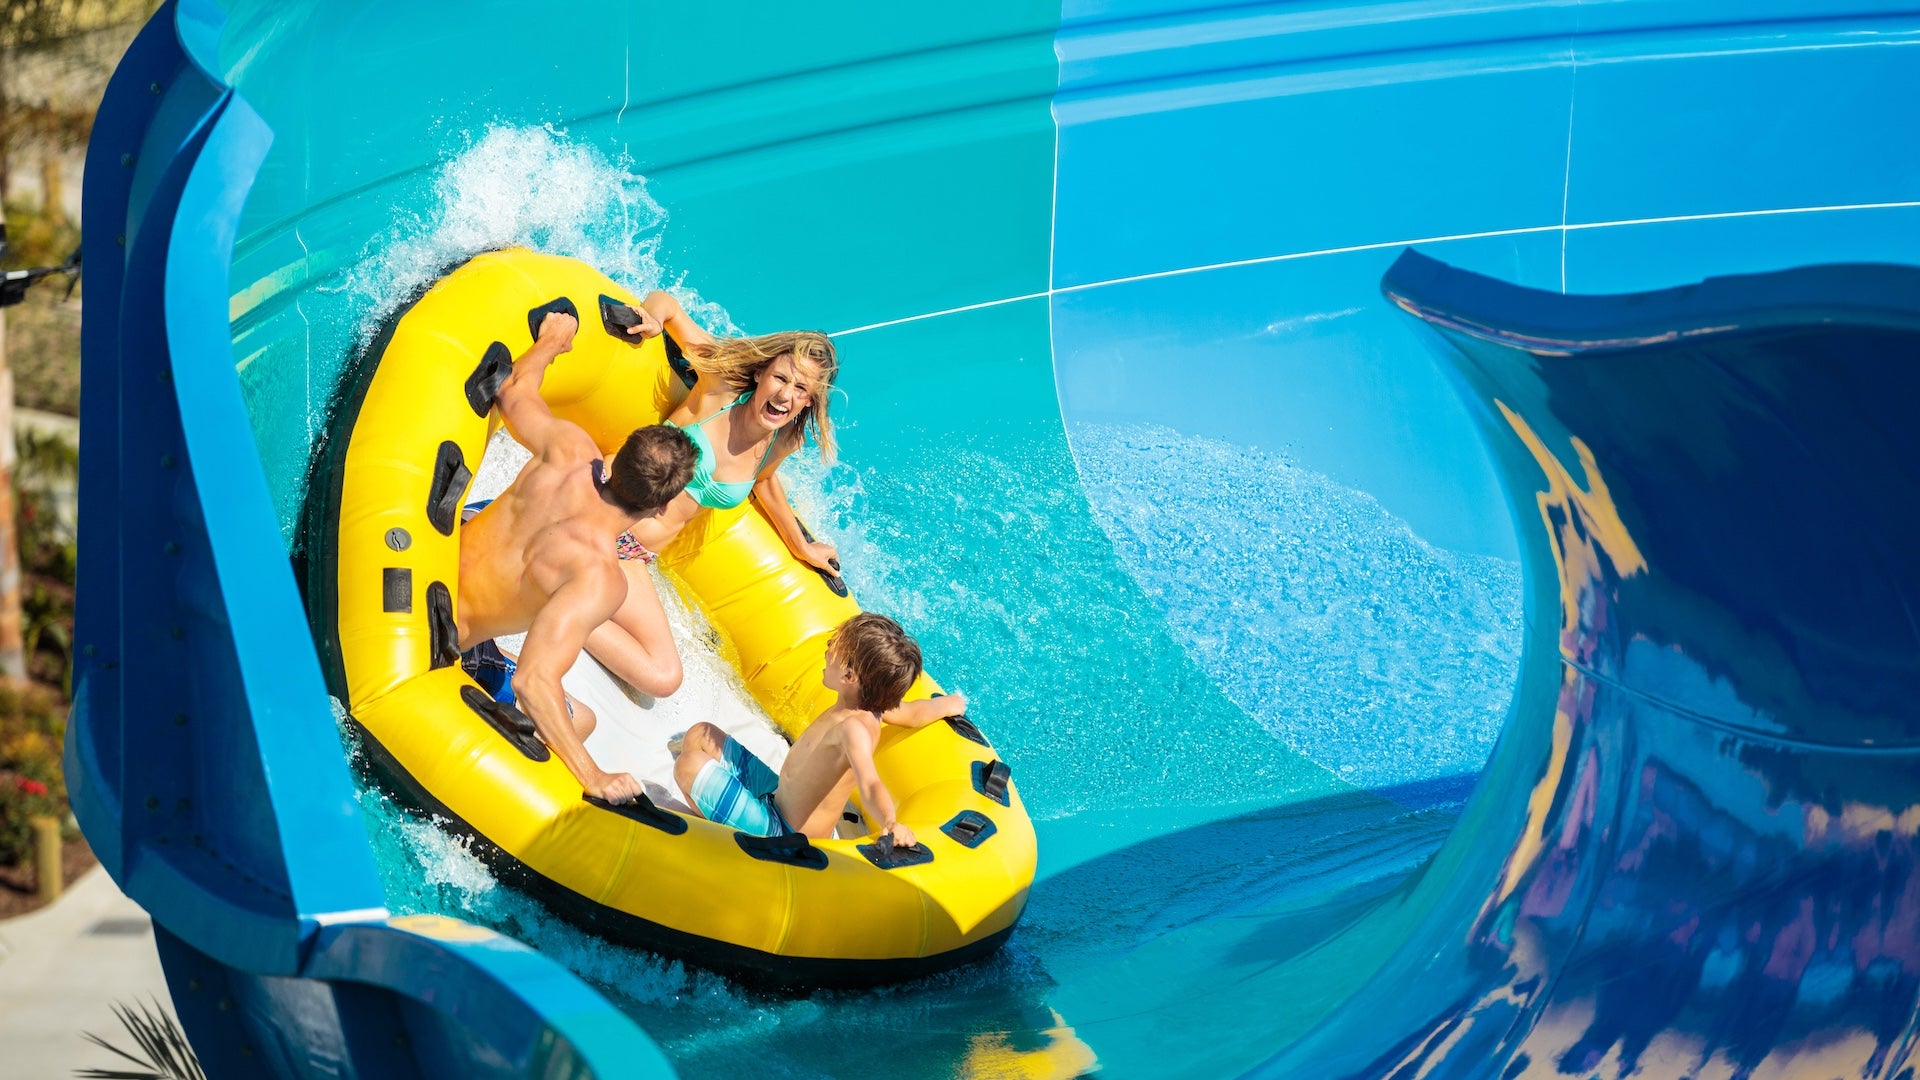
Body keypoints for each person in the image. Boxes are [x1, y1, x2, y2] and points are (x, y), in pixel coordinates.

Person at [458, 310, 697, 804]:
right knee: (579, 719)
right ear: (659, 508)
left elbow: (512, 390)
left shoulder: (569, 450)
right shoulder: (599, 578)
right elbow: (533, 681)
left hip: (423, 575)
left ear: (619, 456)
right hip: (443, 639)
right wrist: (594, 776)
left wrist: (552, 339)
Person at [586, 293, 841, 696]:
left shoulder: (783, 441)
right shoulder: (720, 387)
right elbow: (666, 304)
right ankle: (561, 591)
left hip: (632, 555)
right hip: (602, 508)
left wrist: (801, 547)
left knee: (664, 678)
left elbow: (764, 482)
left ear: (809, 400)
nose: (786, 395)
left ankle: (560, 602)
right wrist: (652, 320)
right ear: (761, 374)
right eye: (780, 378)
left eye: (800, 388)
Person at [669, 613, 968, 843]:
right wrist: (948, 704)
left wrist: (890, 823)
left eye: (834, 647)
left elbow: (870, 782)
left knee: (689, 765)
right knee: (699, 734)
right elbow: (915, 713)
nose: (827, 649)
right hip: (776, 797)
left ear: (850, 675)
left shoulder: (855, 729)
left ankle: (722, 841)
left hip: (784, 835)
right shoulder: (874, 706)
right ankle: (724, 807)